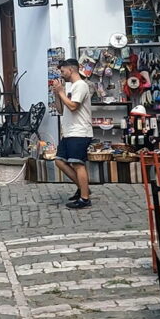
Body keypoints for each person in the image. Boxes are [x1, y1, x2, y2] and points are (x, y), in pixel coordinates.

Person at [52, 59, 94, 209]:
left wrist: (61, 92)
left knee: (77, 163)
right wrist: (57, 95)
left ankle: (84, 198)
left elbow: (73, 106)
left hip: (80, 131)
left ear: (71, 70)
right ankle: (84, 188)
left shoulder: (81, 85)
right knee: (59, 161)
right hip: (69, 132)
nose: (62, 75)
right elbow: (61, 110)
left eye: (63, 71)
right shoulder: (71, 88)